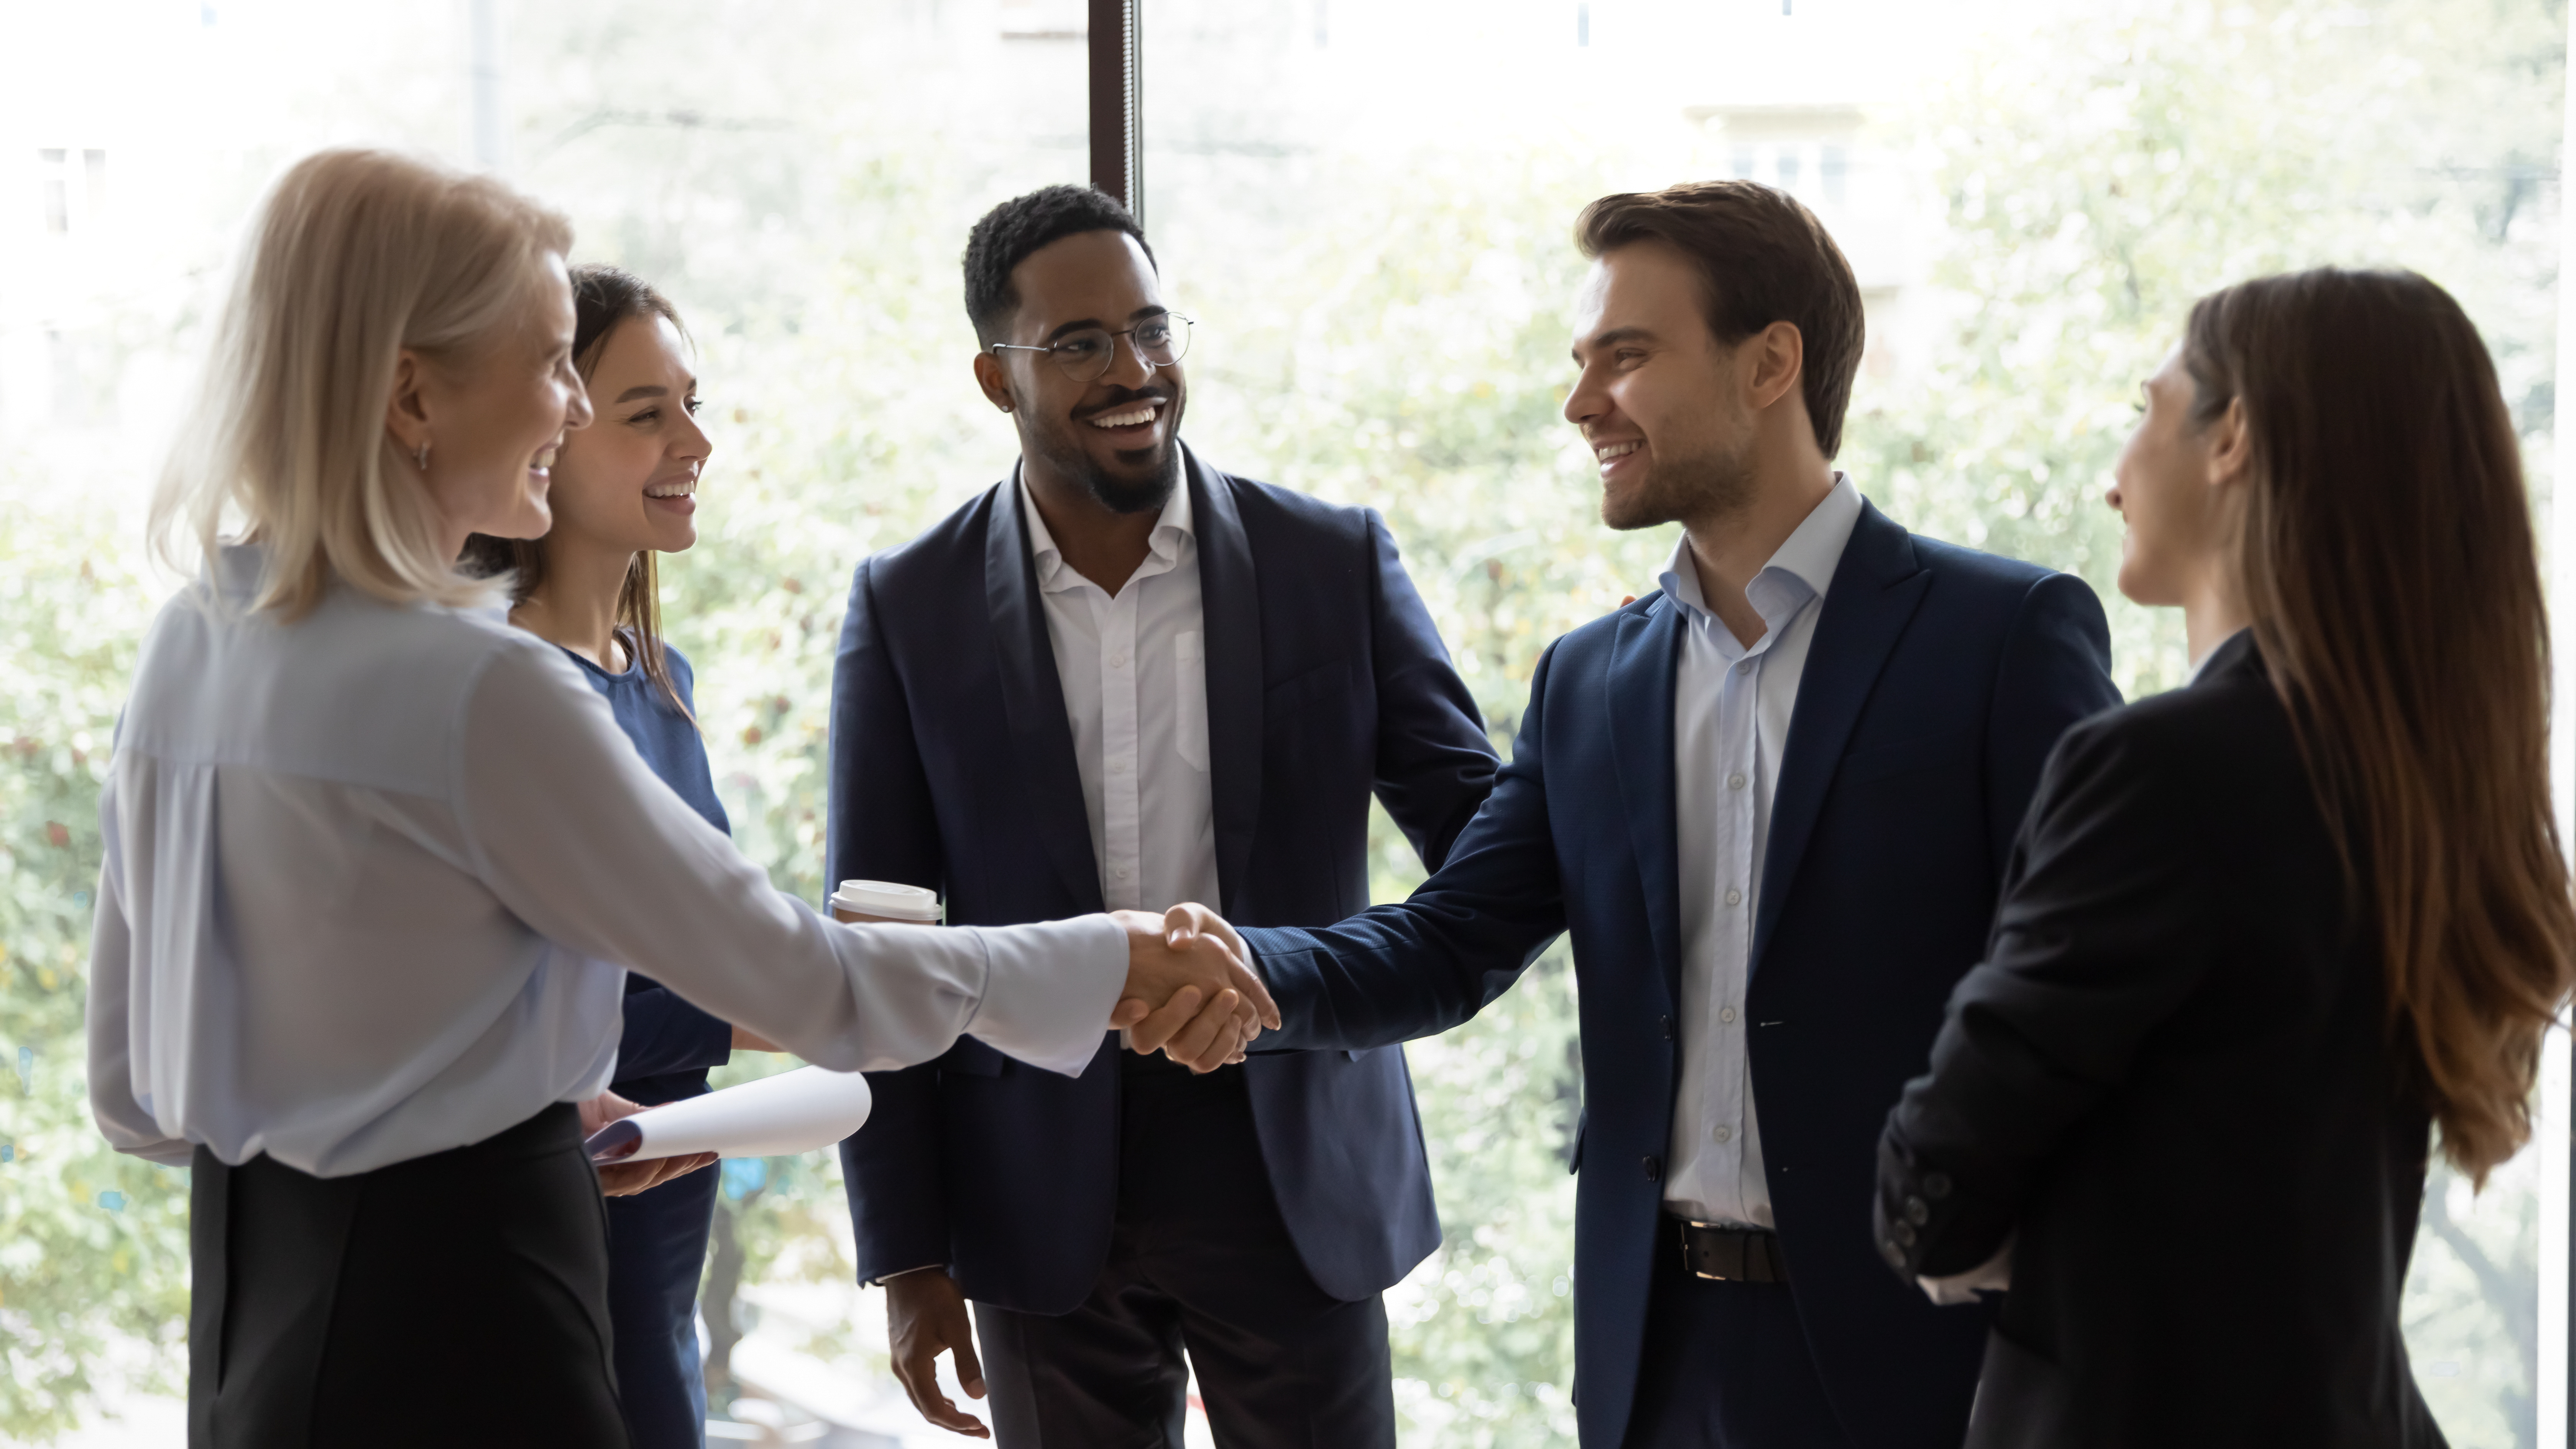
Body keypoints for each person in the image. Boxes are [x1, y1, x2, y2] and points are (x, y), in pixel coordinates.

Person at [82, 148, 1271, 1449]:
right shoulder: (486, 685)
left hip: (252, 1339)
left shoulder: (193, 636)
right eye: (549, 365)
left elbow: (136, 1095)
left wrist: (514, 1111)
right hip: (479, 1329)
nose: (561, 408)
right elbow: (806, 981)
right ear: (414, 393)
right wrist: (1115, 957)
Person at [1159, 180, 2124, 1448]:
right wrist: (1253, 969)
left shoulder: (2002, 635)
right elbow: (1452, 939)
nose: (1579, 403)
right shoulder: (1588, 680)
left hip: (1928, 1353)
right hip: (1656, 1355)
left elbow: (2093, 995)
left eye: (1626, 355)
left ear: (1770, 361)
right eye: (1580, 363)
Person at [830, 184, 1499, 1447]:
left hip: (1292, 1155)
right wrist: (908, 1255)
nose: (1132, 369)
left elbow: (1489, 856)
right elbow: (880, 939)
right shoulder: (908, 605)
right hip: (1034, 1182)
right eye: (1077, 342)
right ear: (996, 378)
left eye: (1150, 327)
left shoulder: (1333, 562)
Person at [1872, 268, 2576, 1447]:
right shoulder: (2421, 784)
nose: (2114, 473)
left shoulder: (2163, 769)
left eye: (2149, 408)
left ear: (2232, 435)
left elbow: (1923, 1200)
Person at [462, 264, 752, 1449]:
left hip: (668, 1207)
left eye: (694, 403)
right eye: (648, 413)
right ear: (554, 430)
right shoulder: (492, 688)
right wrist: (828, 990)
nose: (697, 441)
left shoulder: (663, 684)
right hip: (548, 1206)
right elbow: (535, 992)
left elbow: (697, 937)